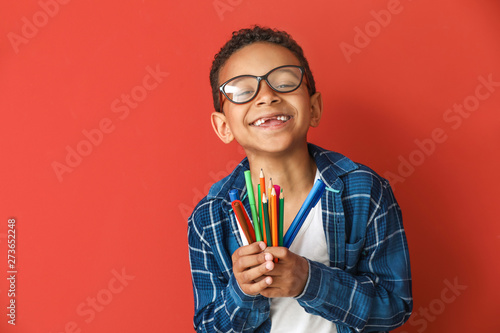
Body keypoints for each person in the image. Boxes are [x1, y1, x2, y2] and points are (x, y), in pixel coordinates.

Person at [188, 25, 412, 333]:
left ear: (314, 108)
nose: (266, 96)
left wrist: (309, 280)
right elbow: (209, 327)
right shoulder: (209, 217)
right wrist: (242, 292)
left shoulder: (363, 190)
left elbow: (394, 307)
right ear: (223, 126)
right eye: (241, 90)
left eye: (284, 82)